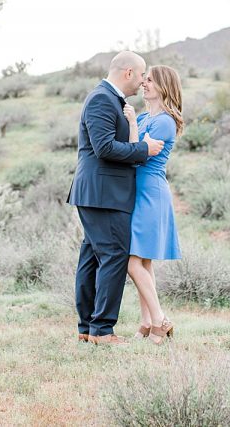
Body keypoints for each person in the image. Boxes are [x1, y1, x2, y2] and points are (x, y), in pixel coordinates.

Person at [68, 51, 165, 346]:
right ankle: (103, 331)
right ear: (128, 73)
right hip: (103, 194)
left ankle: (88, 328)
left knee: (92, 257)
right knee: (113, 256)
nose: (142, 82)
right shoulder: (101, 99)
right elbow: (104, 148)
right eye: (141, 75)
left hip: (101, 193)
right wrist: (142, 150)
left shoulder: (113, 101)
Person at [124, 65, 183, 345]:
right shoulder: (149, 116)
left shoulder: (165, 122)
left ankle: (160, 320)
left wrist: (133, 125)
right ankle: (147, 322)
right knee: (143, 260)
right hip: (137, 191)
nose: (143, 84)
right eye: (143, 79)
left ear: (162, 86)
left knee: (132, 260)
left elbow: (138, 156)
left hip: (151, 191)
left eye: (149, 80)